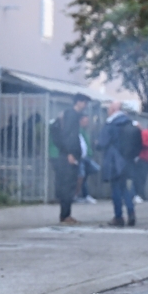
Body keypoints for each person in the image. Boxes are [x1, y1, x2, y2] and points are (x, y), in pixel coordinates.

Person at [97, 101, 142, 227]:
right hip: (128, 160)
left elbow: (103, 142)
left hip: (114, 161)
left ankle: (118, 217)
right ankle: (131, 211)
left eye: (109, 108)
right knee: (124, 188)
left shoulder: (110, 124)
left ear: (113, 110)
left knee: (116, 188)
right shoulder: (130, 123)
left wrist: (97, 144)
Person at [50, 94, 90, 223]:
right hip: (69, 156)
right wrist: (69, 153)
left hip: (67, 154)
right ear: (78, 102)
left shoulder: (68, 114)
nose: (85, 106)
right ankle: (65, 214)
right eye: (84, 102)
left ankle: (65, 213)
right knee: (68, 184)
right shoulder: (71, 116)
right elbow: (69, 136)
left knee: (68, 184)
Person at [75, 113, 99, 204]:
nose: (87, 123)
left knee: (94, 169)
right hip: (81, 157)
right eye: (86, 121)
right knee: (81, 175)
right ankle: (80, 194)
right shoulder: (78, 130)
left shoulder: (85, 131)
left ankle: (84, 194)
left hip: (87, 156)